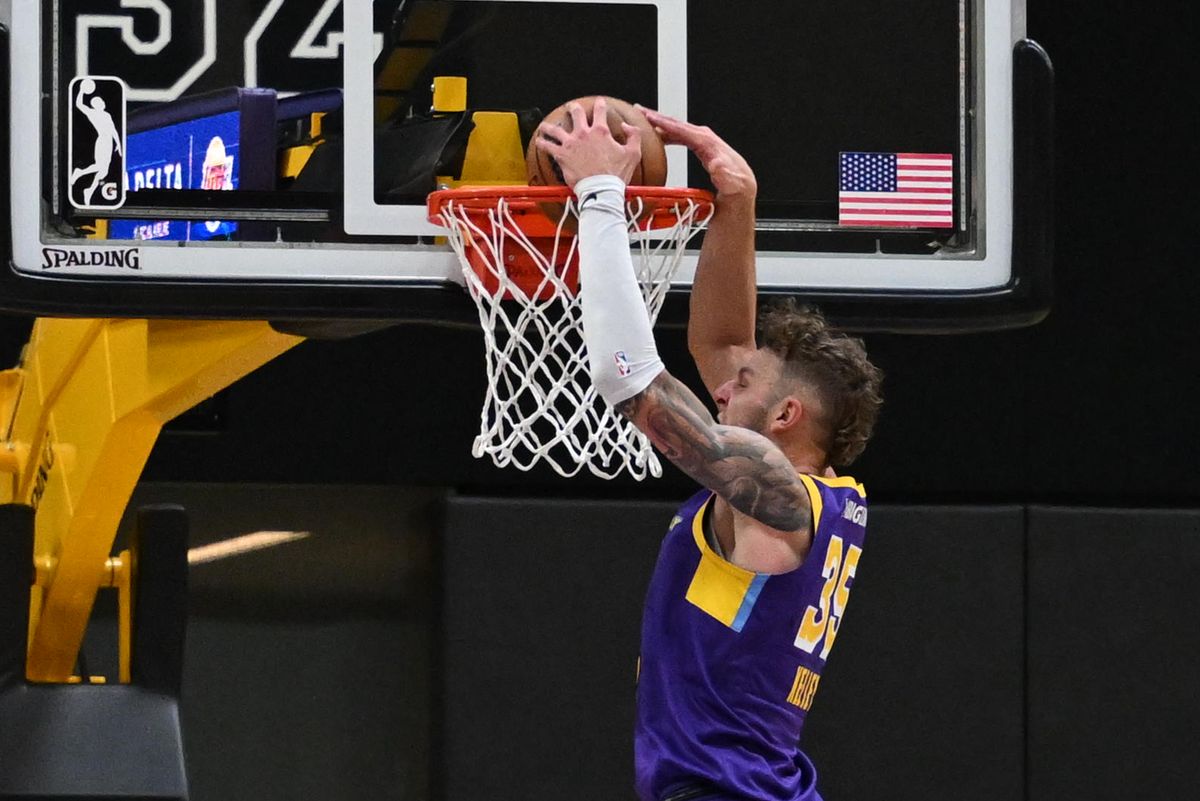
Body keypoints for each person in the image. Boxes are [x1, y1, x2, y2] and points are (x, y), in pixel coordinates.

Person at [536, 99, 884, 801]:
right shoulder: (811, 497)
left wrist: (600, 194)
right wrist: (738, 201)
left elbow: (630, 377)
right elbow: (723, 344)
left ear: (785, 415)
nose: (722, 389)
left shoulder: (775, 495)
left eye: (744, 386)